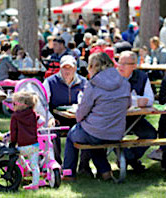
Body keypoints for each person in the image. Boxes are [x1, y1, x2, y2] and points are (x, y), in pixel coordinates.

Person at [62, 52, 131, 180]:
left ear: (93, 66)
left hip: (96, 131)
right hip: (117, 132)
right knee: (94, 136)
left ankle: (68, 173)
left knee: (73, 135)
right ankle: (105, 172)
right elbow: (128, 104)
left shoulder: (93, 84)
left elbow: (82, 110)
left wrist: (80, 119)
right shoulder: (124, 82)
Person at [117, 51, 157, 172]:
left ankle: (130, 157)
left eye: (125, 64)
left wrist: (131, 100)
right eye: (119, 63)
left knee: (151, 134)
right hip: (114, 121)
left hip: (135, 119)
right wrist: (136, 100)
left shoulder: (142, 77)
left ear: (134, 65)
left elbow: (150, 99)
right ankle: (130, 160)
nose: (121, 67)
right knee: (110, 136)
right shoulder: (112, 77)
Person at [43, 55, 87, 164]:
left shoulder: (84, 82)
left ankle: (84, 166)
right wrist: (50, 117)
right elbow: (43, 104)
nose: (67, 71)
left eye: (70, 68)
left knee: (90, 130)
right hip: (57, 119)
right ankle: (57, 164)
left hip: (78, 118)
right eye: (64, 68)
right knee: (52, 131)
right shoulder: (50, 82)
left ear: (75, 68)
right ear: (60, 68)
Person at [10, 91, 40, 190]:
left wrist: (12, 143)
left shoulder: (15, 116)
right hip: (34, 145)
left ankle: (26, 168)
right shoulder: (33, 114)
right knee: (35, 165)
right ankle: (35, 184)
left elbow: (13, 132)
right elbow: (41, 121)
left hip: (22, 146)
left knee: (15, 154)